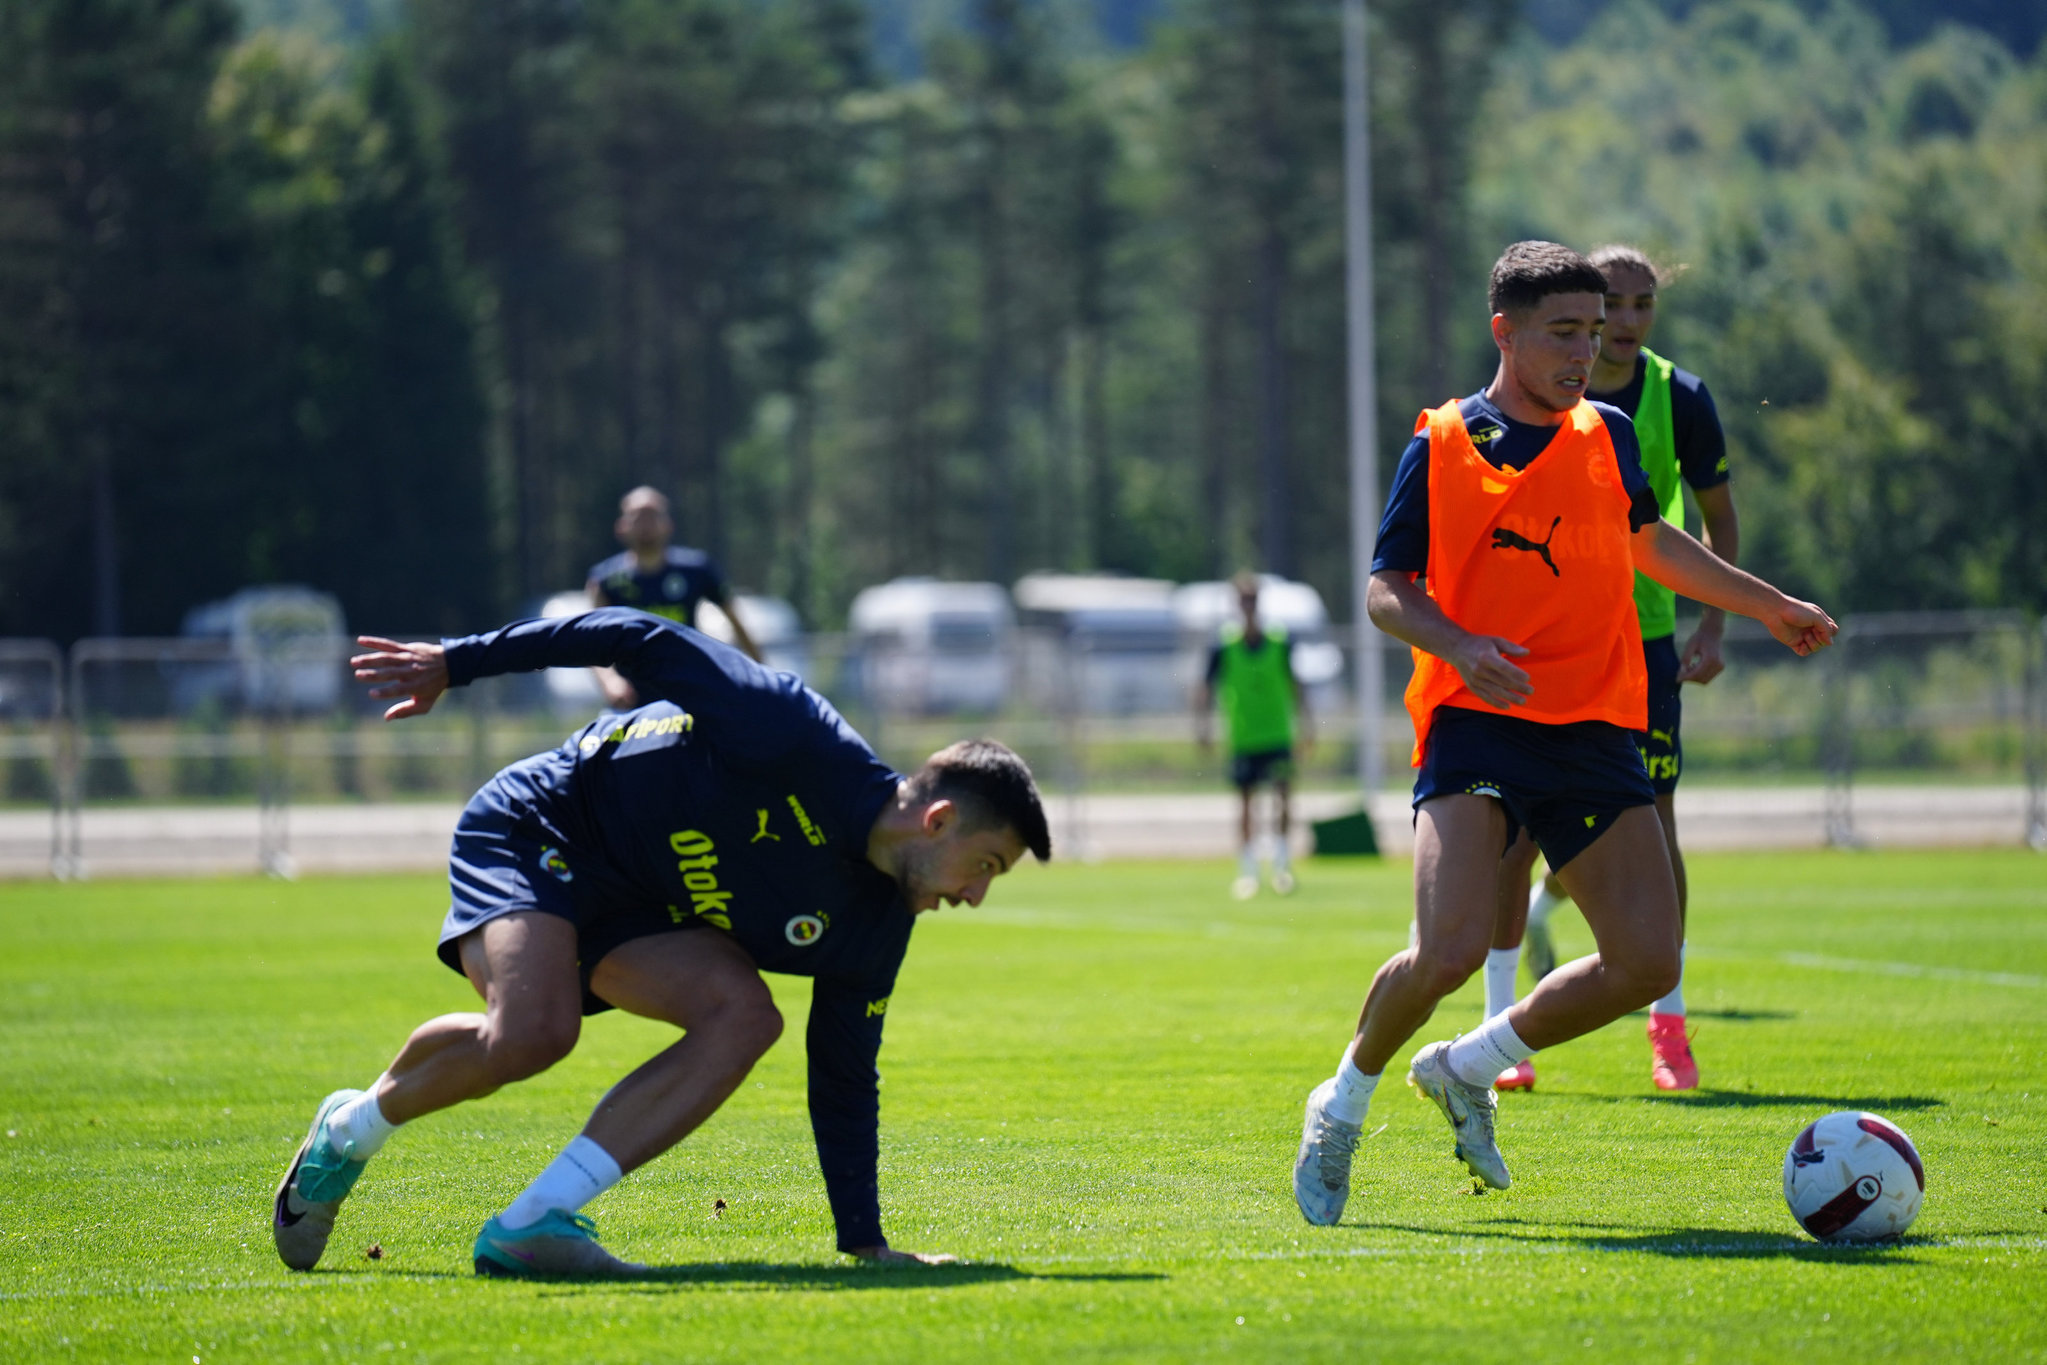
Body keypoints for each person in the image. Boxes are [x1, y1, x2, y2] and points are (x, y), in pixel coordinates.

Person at [1290, 242, 1832, 1226]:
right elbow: (1383, 592)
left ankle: (1467, 1067)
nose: (1589, 350)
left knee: (1647, 961)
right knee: (1446, 949)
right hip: (1477, 725)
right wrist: (1458, 645)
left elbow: (1652, 544)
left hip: (1592, 727)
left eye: (1595, 331)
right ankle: (1343, 1103)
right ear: (1505, 330)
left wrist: (1767, 605)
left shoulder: (1611, 433)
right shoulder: (1444, 440)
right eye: (1564, 332)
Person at [272, 608, 1051, 1277]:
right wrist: (459, 661)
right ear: (938, 820)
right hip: (546, 823)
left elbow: (844, 1076)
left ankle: (534, 1222)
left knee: (746, 1015)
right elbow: (634, 635)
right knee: (534, 1033)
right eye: (983, 866)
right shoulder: (786, 731)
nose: (974, 895)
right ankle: (349, 1131)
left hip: (638, 900)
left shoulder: (877, 925)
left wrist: (867, 1244)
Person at [1484, 244, 1739, 1094]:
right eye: (1606, 310)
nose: (1621, 326)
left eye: (1637, 308)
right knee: (1512, 836)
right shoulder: (1531, 387)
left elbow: (1709, 524)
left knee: (1654, 828)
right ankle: (1498, 1030)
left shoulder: (1679, 399)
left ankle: (1668, 1028)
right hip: (1541, 645)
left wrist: (1715, 625)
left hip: (1644, 646)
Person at [587, 486, 762, 707]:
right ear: (621, 527)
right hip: (630, 703)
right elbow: (593, 644)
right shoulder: (605, 579)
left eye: (653, 515)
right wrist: (611, 682)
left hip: (687, 695)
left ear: (668, 524)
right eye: (637, 517)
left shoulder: (697, 570)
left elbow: (737, 623)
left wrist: (760, 674)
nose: (646, 525)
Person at [1196, 572, 1313, 898]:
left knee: (1283, 801)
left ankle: (1282, 867)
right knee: (1246, 806)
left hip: (1278, 735)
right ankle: (1248, 871)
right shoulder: (1223, 645)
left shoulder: (1280, 641)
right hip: (1244, 738)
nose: (1248, 607)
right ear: (1236, 604)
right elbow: (1206, 689)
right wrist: (1202, 727)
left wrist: (1307, 725)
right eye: (1243, 600)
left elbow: (1297, 686)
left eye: (1253, 600)